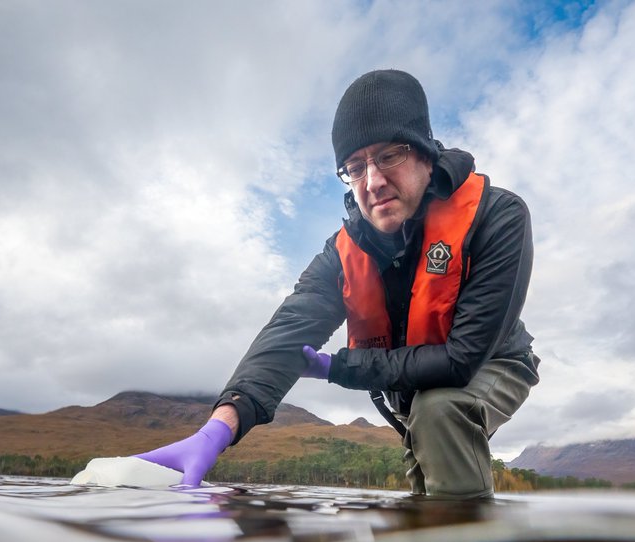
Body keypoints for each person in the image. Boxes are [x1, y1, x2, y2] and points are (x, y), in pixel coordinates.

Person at [135, 69, 539, 499]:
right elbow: (288, 332)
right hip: (412, 391)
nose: (374, 181)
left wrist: (338, 368)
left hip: (493, 361)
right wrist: (220, 426)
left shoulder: (499, 216)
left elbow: (462, 360)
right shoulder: (342, 253)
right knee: (423, 489)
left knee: (440, 412)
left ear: (425, 154)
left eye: (389, 156)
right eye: (355, 167)